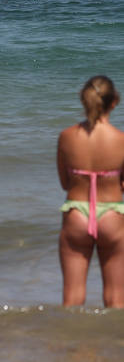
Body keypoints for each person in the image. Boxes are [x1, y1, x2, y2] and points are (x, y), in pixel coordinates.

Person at [56, 74, 124, 307]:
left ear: (83, 99)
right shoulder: (121, 140)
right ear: (114, 101)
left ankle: (72, 333)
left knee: (72, 298)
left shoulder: (66, 137)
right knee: (116, 299)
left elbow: (65, 183)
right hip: (112, 215)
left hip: (77, 213)